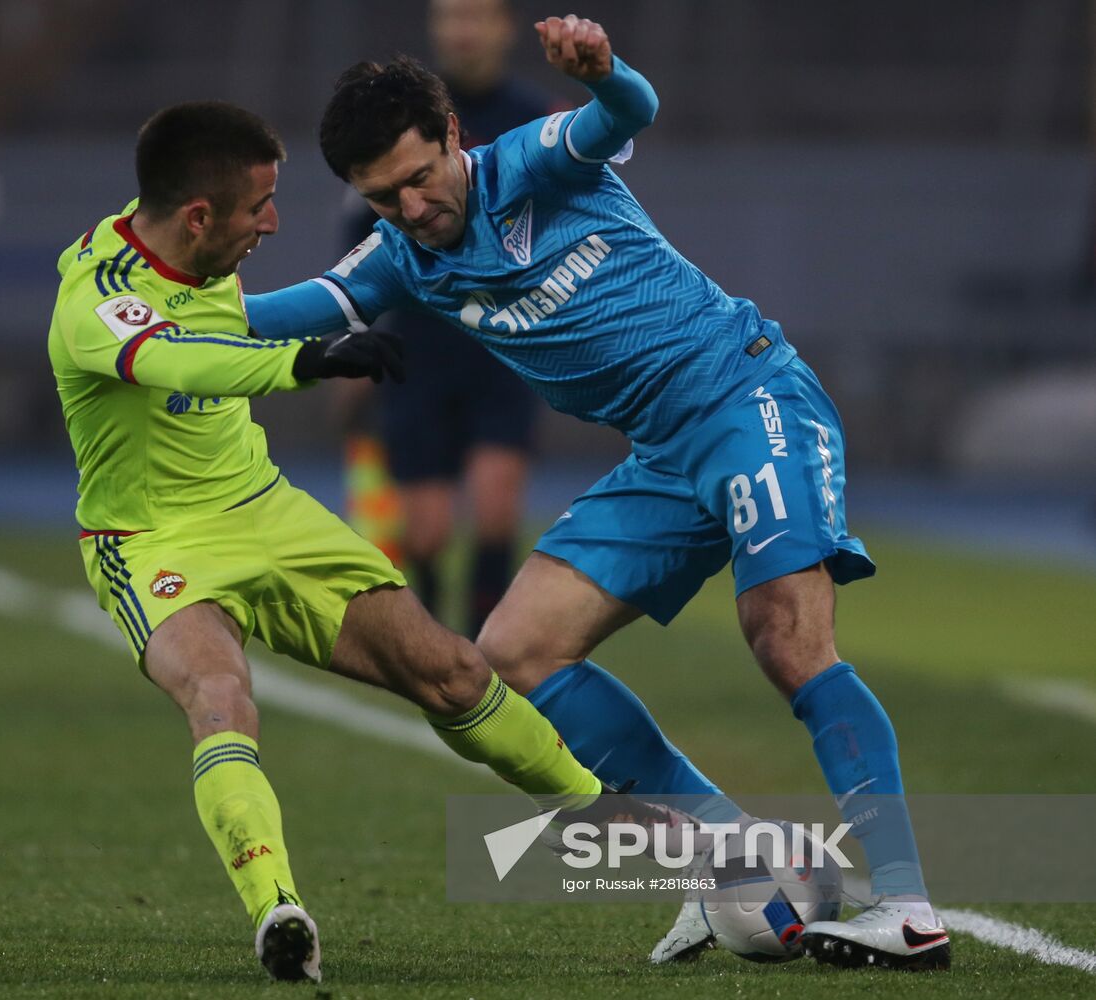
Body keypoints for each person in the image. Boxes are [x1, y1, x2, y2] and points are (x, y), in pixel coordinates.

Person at [244, 14, 951, 972]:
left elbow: (627, 112)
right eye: (383, 196)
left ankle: (907, 907)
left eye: (418, 178)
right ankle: (737, 856)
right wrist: (160, 307)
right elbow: (294, 311)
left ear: (453, 135)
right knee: (515, 654)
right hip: (663, 454)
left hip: (747, 397)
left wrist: (608, 72)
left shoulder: (530, 163)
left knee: (787, 636)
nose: (410, 207)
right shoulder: (398, 255)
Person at [46, 100, 668, 984]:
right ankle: (278, 911)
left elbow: (244, 324)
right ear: (198, 216)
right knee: (220, 696)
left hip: (267, 510)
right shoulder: (95, 299)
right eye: (259, 205)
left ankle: (600, 819)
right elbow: (183, 359)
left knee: (452, 673)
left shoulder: (200, 245)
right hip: (148, 541)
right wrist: (308, 359)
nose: (272, 222)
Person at [336, 0, 556, 635]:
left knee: (493, 510)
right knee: (425, 531)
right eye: (450, 17)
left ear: (503, 28)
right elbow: (356, 240)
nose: (461, 31)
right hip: (422, 347)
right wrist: (353, 340)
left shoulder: (532, 118)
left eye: (475, 17)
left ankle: (489, 658)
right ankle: (436, 655)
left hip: (504, 345)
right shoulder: (396, 119)